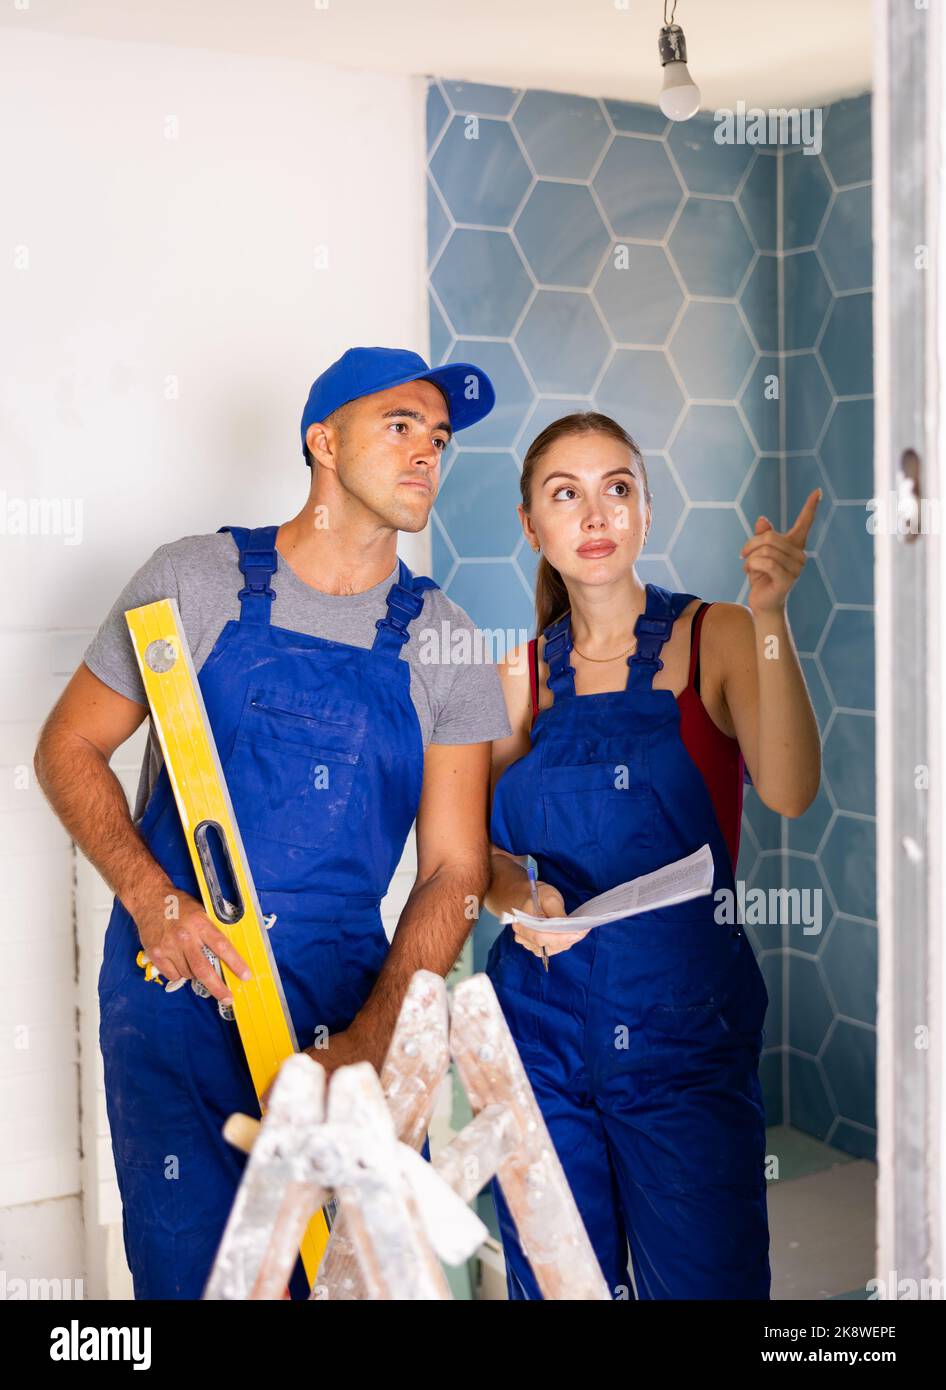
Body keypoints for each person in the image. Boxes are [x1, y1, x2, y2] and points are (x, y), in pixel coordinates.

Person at [34, 346, 512, 1299]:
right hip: (175, 993)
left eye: (441, 438)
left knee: (336, 1280)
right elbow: (67, 750)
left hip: (340, 996)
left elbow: (455, 871)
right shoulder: (198, 579)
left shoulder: (448, 640)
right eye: (401, 426)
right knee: (189, 1275)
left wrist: (371, 1042)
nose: (429, 452)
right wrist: (153, 900)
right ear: (321, 440)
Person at [483, 411, 821, 1300]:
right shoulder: (517, 678)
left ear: (644, 510)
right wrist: (518, 892)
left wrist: (773, 615)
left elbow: (788, 788)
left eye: (617, 490)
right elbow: (465, 849)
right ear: (531, 525)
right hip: (540, 1036)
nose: (595, 515)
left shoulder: (720, 636)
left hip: (682, 1036)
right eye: (566, 494)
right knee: (560, 1285)